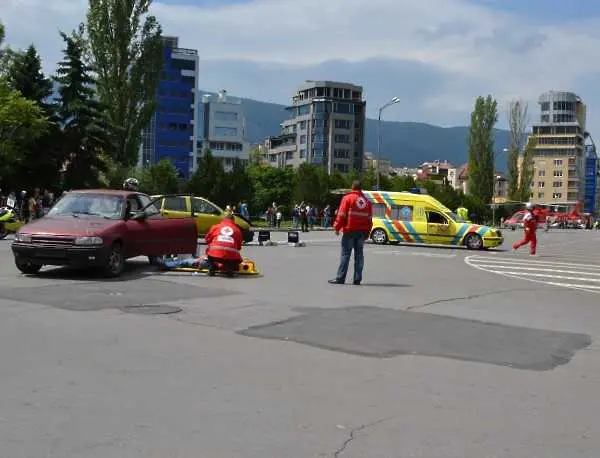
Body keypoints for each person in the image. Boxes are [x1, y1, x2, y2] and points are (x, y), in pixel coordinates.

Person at [329, 180, 373, 285]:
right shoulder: (367, 202)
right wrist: (367, 232)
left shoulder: (347, 198)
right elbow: (369, 220)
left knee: (345, 255)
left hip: (349, 231)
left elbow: (342, 215)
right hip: (361, 232)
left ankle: (340, 278)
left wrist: (336, 227)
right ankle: (357, 279)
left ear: (352, 187)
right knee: (359, 256)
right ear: (361, 188)